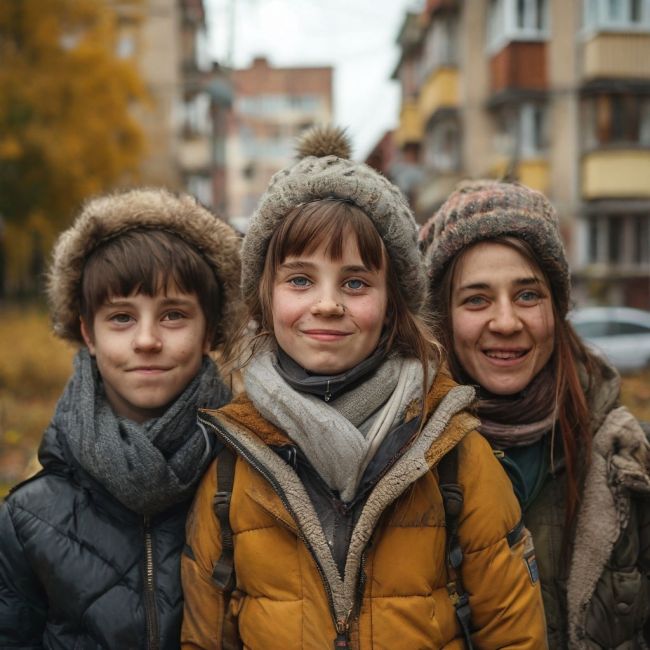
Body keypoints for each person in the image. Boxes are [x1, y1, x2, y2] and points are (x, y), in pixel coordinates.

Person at [180, 127, 547, 649]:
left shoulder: (453, 453)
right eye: (301, 280)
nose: (327, 305)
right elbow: (204, 636)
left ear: (393, 303)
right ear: (264, 297)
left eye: (355, 283)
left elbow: (514, 633)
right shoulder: (228, 467)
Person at [0, 188, 242, 648]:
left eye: (172, 315)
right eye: (121, 318)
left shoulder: (254, 486)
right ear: (87, 333)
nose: (147, 340)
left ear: (210, 330)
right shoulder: (28, 519)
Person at [420, 179, 650, 649]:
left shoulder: (625, 463)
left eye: (528, 295)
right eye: (476, 299)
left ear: (557, 307)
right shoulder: (404, 464)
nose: (507, 322)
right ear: (441, 316)